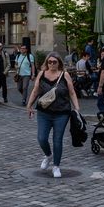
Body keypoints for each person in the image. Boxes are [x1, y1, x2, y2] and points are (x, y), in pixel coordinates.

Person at [26, 51, 80, 179]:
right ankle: (48, 155)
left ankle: (56, 166)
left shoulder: (65, 75)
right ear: (46, 63)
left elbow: (71, 92)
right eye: (49, 62)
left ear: (59, 63)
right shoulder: (42, 74)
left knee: (57, 140)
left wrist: (76, 108)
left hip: (62, 113)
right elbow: (35, 91)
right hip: (44, 112)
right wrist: (29, 105)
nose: (51, 64)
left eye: (54, 62)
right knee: (42, 138)